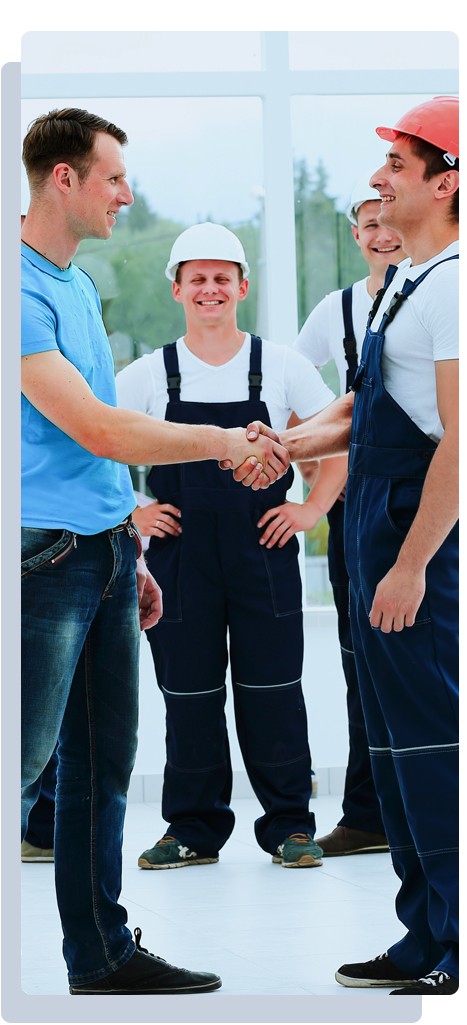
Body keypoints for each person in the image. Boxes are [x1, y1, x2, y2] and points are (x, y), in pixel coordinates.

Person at [21, 108, 289, 996]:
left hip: (96, 552)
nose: (125, 195)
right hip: (39, 561)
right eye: (112, 179)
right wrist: (219, 443)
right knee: (19, 767)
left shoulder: (78, 285)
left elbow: (98, 447)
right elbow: (98, 424)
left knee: (98, 771)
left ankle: (99, 954)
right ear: (64, 178)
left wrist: (126, 546)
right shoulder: (14, 289)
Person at [237, 96, 459, 995]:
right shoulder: (407, 281)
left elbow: (458, 437)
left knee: (431, 743)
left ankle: (456, 939)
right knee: (391, 743)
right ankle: (424, 928)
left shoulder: (453, 286)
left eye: (397, 167)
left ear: (447, 183)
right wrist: (285, 447)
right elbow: (362, 409)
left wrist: (409, 563)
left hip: (411, 534)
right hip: (369, 519)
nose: (377, 181)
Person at [115, 221, 339, 871]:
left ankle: (290, 826)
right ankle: (191, 827)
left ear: (241, 286)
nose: (209, 289)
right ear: (177, 290)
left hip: (262, 552)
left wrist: (309, 508)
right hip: (181, 557)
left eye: (221, 278)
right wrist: (136, 510)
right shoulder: (151, 374)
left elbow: (338, 439)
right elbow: (95, 443)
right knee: (187, 694)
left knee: (273, 690)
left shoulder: (281, 366)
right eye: (196, 279)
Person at [290, 179, 409, 857]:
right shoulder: (334, 311)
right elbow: (299, 395)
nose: (380, 233)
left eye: (387, 218)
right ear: (355, 232)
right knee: (361, 662)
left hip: (428, 503)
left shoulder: (439, 293)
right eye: (367, 222)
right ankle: (368, 810)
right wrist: (309, 465)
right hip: (357, 507)